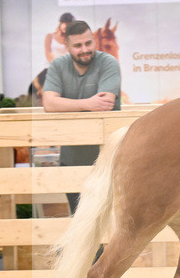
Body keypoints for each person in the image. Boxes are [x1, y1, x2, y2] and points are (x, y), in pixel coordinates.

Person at [42, 19, 122, 213]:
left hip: (108, 157)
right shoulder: (58, 66)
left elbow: (105, 104)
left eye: (88, 43)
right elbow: (49, 103)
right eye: (78, 45)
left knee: (106, 216)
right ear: (67, 47)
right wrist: (87, 103)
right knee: (78, 217)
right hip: (72, 156)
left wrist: (66, 104)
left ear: (94, 40)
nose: (85, 49)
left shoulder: (109, 63)